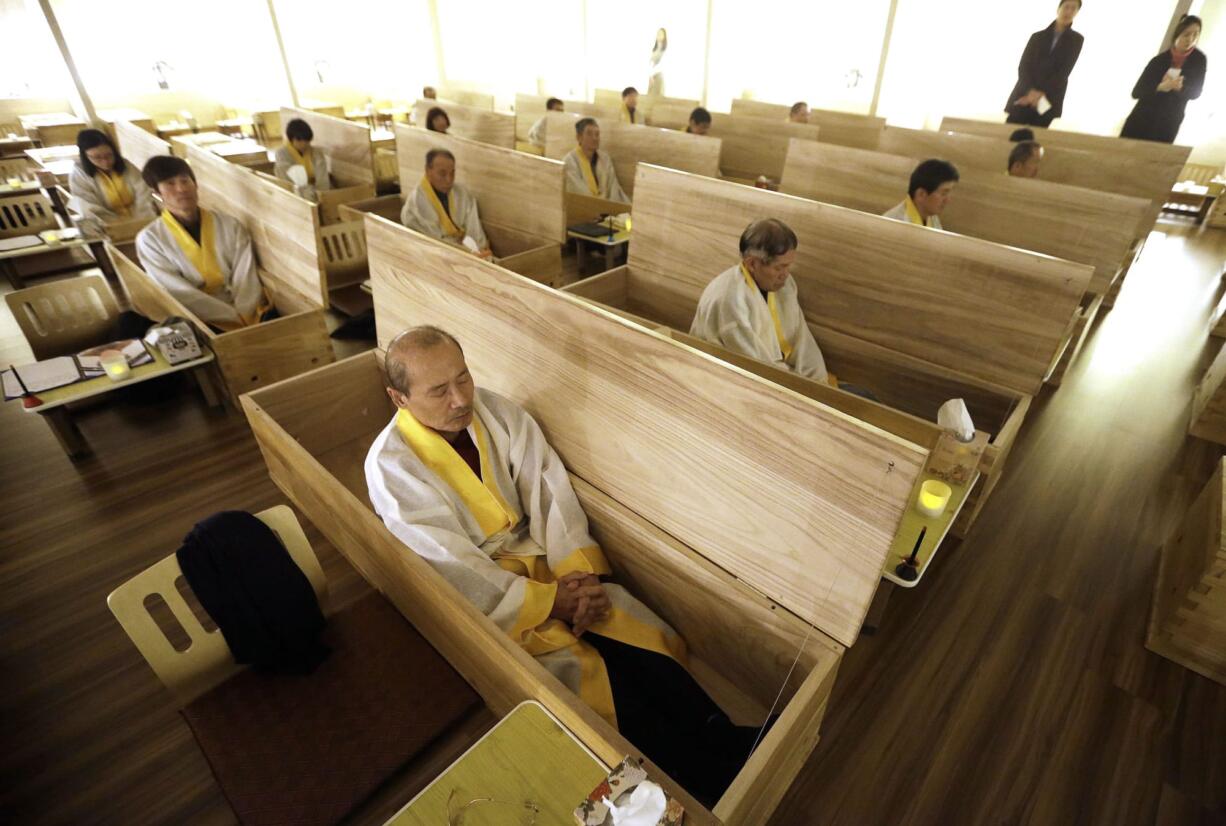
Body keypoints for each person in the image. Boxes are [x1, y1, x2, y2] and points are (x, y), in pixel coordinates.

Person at [365, 326, 762, 806]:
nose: (460, 398)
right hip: (494, 599)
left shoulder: (498, 414)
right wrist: (550, 602)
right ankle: (695, 781)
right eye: (439, 391)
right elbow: (450, 562)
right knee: (593, 679)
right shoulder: (391, 467)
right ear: (398, 397)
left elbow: (548, 491)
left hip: (546, 561)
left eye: (464, 378)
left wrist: (579, 575)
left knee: (627, 633)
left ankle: (724, 736)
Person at [135, 155, 272, 330]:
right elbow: (176, 289)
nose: (181, 188)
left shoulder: (230, 225)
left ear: (196, 184)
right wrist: (228, 315)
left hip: (246, 312)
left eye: (185, 180)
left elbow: (245, 276)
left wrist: (244, 312)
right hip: (197, 317)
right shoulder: (150, 239)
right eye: (170, 183)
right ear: (156, 192)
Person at [690, 219, 830, 384]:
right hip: (725, 380)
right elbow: (755, 368)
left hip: (782, 374)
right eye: (779, 267)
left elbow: (802, 341)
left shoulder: (785, 285)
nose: (785, 274)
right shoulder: (729, 299)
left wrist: (819, 383)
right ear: (752, 264)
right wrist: (800, 388)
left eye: (788, 266)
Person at [1120, 15, 1208, 144]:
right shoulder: (1159, 60)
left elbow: (1196, 93)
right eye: (1186, 34)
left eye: (1195, 34)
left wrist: (1180, 87)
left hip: (1168, 122)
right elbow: (1137, 92)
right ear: (1177, 34)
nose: (1190, 39)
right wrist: (1160, 86)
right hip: (1142, 118)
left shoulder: (1198, 60)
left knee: (1155, 160)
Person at [401, 148, 491, 259]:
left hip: (466, 250)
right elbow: (434, 242)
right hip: (432, 256)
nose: (449, 180)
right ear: (427, 171)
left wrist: (479, 249)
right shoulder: (418, 201)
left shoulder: (462, 193)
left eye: (452, 173)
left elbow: (475, 230)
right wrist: (464, 252)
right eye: (442, 174)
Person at [1005, 0, 1084, 127]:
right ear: (1058, 9)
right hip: (1025, 92)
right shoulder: (1037, 37)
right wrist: (1031, 91)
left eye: (1073, 9)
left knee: (1036, 136)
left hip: (1049, 97)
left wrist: (1039, 94)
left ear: (1077, 13)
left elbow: (1064, 71)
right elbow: (1024, 66)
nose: (1069, 11)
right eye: (1066, 7)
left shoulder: (1077, 40)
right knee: (1010, 133)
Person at [68, 128, 155, 236]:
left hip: (139, 217)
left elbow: (143, 193)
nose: (105, 161)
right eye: (97, 157)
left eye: (109, 155)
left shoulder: (126, 166)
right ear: (85, 157)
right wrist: (117, 224)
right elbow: (89, 206)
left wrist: (140, 220)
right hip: (108, 225)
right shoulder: (80, 174)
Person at [562, 118, 629, 203]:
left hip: (607, 207)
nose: (594, 138)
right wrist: (597, 205)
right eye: (589, 134)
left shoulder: (605, 159)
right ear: (579, 137)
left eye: (597, 134)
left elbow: (613, 187)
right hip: (583, 208)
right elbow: (577, 189)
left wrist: (611, 207)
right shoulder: (569, 161)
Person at [883, 160, 959, 229]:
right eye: (943, 193)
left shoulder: (931, 215)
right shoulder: (893, 225)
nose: (948, 200)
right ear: (921, 194)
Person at [273, 118, 332, 200]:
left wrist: (321, 194)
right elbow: (288, 180)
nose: (304, 145)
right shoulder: (282, 153)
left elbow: (322, 179)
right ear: (292, 140)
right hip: (295, 190)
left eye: (307, 142)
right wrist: (307, 192)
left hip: (314, 189)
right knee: (280, 168)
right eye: (299, 141)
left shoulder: (315, 152)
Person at [648, 28, 668, 96]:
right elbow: (651, 63)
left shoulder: (665, 50)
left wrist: (653, 74)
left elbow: (662, 65)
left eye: (661, 34)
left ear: (664, 36)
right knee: (650, 96)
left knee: (659, 95)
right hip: (652, 77)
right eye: (658, 34)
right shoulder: (654, 50)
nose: (659, 35)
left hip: (659, 76)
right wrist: (650, 75)